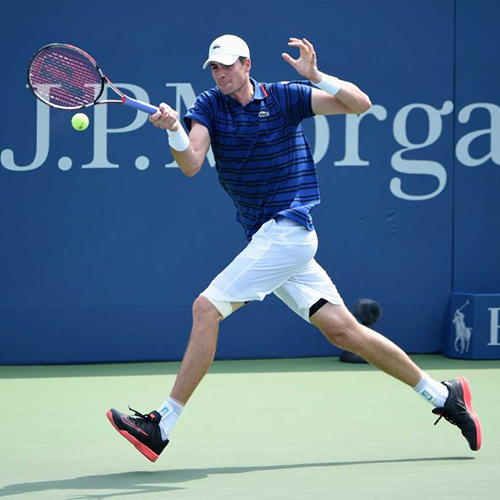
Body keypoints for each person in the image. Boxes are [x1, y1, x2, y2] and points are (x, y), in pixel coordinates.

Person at [106, 35, 482, 462]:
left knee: (206, 309)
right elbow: (191, 163)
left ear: (247, 64)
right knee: (345, 332)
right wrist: (175, 129)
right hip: (269, 240)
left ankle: (162, 425)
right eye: (214, 67)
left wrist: (317, 76)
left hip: (288, 231)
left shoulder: (284, 97)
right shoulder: (208, 105)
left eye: (228, 65)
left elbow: (360, 104)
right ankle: (443, 396)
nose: (221, 73)